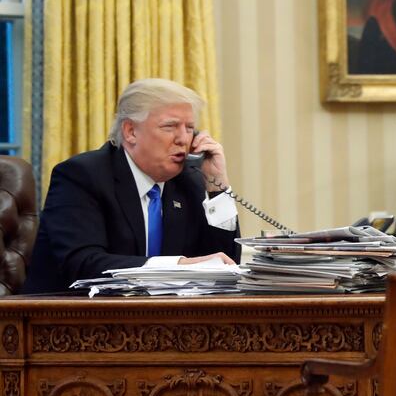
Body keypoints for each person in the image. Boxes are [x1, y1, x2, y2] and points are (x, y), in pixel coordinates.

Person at [23, 79, 242, 293]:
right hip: (66, 318)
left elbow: (225, 263)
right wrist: (178, 266)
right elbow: (83, 264)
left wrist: (218, 187)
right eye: (170, 126)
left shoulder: (189, 180)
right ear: (131, 132)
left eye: (190, 128)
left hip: (161, 321)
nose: (183, 139)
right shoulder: (82, 175)